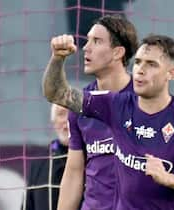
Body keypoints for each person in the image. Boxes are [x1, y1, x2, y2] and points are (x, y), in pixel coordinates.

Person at [42, 34, 174, 210]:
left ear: (171, 73)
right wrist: (58, 58)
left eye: (151, 64)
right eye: (137, 62)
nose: (140, 70)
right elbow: (57, 93)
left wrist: (168, 178)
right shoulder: (115, 105)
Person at [46, 15, 139, 210]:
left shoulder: (146, 100)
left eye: (96, 41)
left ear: (117, 52)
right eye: (87, 40)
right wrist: (57, 58)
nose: (86, 47)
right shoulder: (82, 104)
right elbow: (73, 172)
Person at [24, 104, 70, 210]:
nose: (67, 119)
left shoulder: (94, 161)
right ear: (53, 122)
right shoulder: (39, 163)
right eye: (61, 114)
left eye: (73, 113)